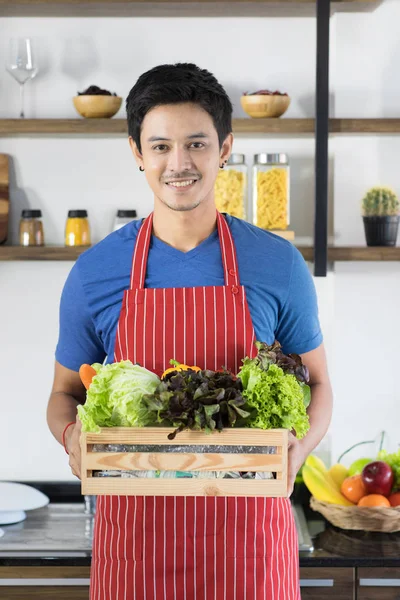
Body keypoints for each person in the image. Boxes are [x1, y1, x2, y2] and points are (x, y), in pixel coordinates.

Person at [47, 62, 332, 600]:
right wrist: (72, 438)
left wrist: (299, 449)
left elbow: (319, 385)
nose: (179, 163)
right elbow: (63, 395)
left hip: (248, 550)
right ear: (137, 152)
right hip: (135, 549)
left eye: (196, 143)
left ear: (225, 148)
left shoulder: (277, 264)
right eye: (160, 146)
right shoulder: (95, 271)